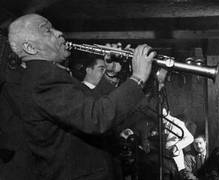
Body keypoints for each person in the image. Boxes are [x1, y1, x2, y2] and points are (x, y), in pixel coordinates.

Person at [7, 13, 156, 180]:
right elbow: (96, 117)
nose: (59, 33)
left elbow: (90, 105)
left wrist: (110, 75)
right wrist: (138, 78)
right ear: (30, 48)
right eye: (48, 31)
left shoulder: (46, 75)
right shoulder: (43, 78)